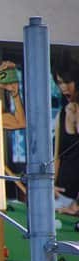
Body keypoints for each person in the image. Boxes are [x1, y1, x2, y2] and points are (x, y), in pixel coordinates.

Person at [53, 63, 79, 215]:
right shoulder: (61, 114)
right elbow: (57, 157)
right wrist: (51, 185)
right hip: (62, 197)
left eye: (68, 82)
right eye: (60, 82)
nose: (64, 87)